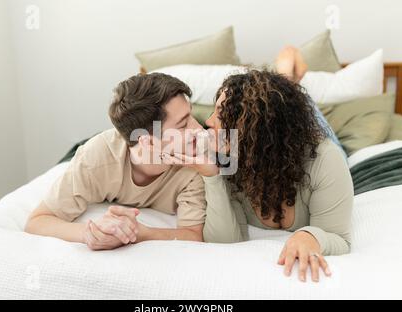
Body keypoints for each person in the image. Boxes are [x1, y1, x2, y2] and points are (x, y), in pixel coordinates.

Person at [165, 47, 354, 283]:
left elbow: (339, 237)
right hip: (270, 143)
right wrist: (212, 177)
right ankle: (285, 78)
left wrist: (310, 236)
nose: (208, 122)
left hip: (300, 145)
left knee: (313, 125)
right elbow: (224, 241)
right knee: (283, 105)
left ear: (257, 131)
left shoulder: (325, 159)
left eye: (222, 114)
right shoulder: (225, 156)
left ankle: (287, 72)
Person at [25, 73, 207, 250]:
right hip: (92, 149)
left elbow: (192, 234)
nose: (199, 128)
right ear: (149, 142)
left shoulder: (195, 165)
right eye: (183, 125)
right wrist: (89, 234)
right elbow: (37, 221)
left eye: (192, 116)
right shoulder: (95, 160)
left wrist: (140, 233)